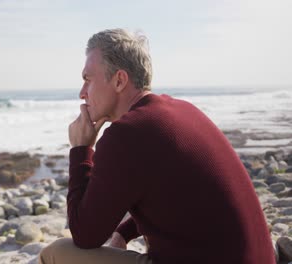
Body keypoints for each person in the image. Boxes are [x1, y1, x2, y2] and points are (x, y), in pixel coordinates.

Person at [39, 28, 275, 264]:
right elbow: (183, 199)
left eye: (87, 80)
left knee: (54, 253)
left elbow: (85, 235)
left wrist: (81, 150)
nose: (82, 93)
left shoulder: (126, 135)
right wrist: (125, 232)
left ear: (119, 80)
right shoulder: (182, 110)